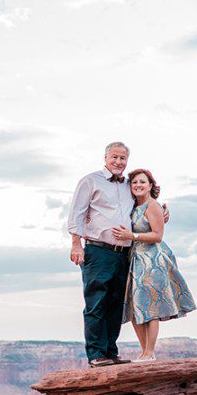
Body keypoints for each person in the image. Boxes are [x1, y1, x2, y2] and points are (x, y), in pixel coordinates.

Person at [111, 168, 195, 362]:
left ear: (150, 185)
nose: (138, 185)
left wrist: (132, 236)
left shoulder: (153, 206)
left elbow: (157, 235)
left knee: (151, 307)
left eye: (142, 182)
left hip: (152, 261)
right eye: (134, 183)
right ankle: (144, 351)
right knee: (135, 306)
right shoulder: (132, 207)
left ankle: (150, 351)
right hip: (135, 261)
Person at [67, 141, 136, 368]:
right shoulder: (90, 181)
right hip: (97, 250)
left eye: (122, 158)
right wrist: (76, 244)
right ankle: (96, 354)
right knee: (96, 302)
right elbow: (77, 212)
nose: (118, 162)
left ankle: (110, 351)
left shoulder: (128, 185)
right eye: (114, 157)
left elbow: (141, 207)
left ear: (127, 161)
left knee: (116, 303)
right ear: (105, 158)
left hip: (123, 253)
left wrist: (162, 212)